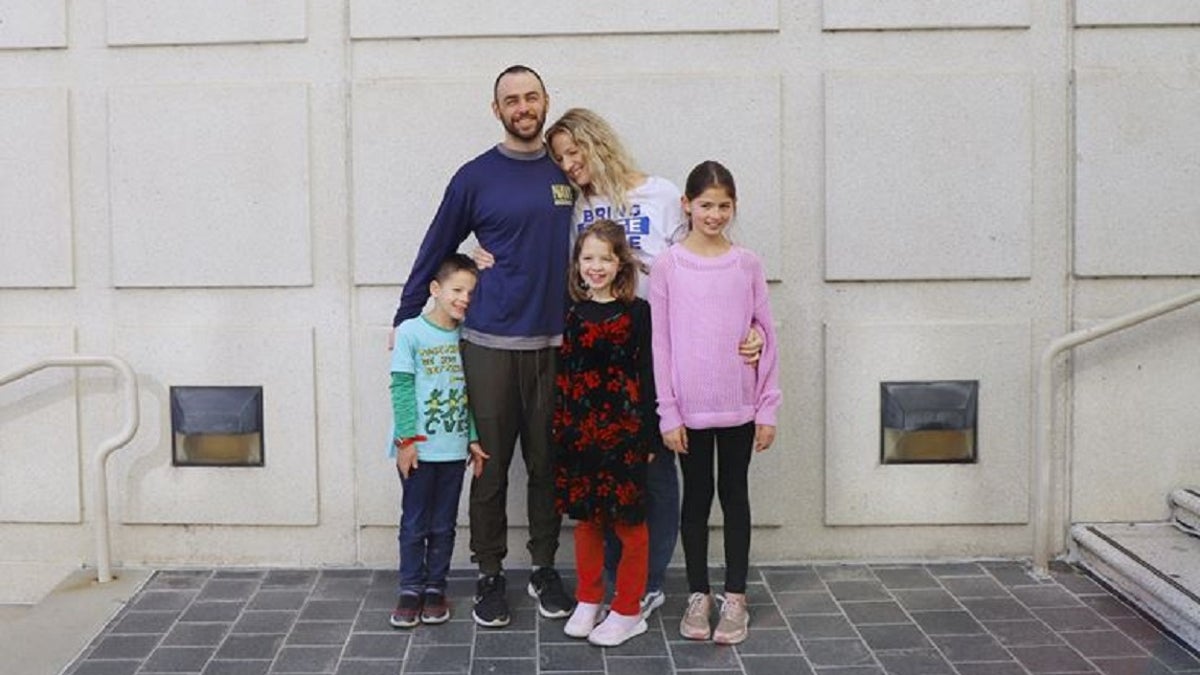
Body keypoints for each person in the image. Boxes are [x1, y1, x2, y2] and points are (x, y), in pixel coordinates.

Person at [473, 107, 763, 619]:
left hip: (658, 347)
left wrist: (753, 329)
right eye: (559, 157)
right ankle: (613, 586)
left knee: (655, 469)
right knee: (605, 474)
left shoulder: (661, 194)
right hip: (599, 355)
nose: (568, 163)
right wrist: (485, 257)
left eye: (573, 151)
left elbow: (705, 265)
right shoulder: (574, 208)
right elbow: (551, 263)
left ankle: (649, 583)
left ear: (596, 142)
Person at [391, 65, 576, 628]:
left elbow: (613, 232)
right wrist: (406, 317)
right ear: (497, 110)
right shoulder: (474, 177)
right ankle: (490, 574)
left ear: (546, 102)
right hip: (489, 344)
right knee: (490, 469)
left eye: (532, 97)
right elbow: (438, 247)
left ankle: (544, 566)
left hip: (555, 344)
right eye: (511, 100)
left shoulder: (568, 168)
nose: (523, 107)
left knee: (547, 468)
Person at [649, 160, 781, 645]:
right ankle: (698, 593)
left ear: (734, 207)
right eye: (705, 204)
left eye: (724, 205)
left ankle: (736, 597)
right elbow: (661, 344)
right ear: (686, 205)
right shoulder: (669, 265)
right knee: (696, 499)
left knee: (735, 496)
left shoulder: (746, 263)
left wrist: (767, 408)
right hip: (691, 411)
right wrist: (669, 412)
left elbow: (765, 332)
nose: (715, 214)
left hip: (740, 407)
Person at [555, 220, 658, 647]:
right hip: (578, 432)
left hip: (624, 430)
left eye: (605, 258)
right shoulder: (569, 310)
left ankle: (629, 608)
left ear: (621, 264)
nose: (596, 266)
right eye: (588, 258)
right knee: (587, 522)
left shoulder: (637, 312)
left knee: (629, 523)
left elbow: (648, 372)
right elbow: (562, 374)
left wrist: (650, 432)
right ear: (578, 264)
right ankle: (589, 598)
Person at [388, 254, 490, 628]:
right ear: (436, 289)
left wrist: (474, 438)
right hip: (418, 448)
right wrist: (406, 441)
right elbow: (400, 387)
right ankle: (411, 587)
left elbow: (473, 394)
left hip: (453, 448)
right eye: (457, 290)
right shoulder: (411, 332)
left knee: (444, 524)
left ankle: (435, 587)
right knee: (415, 521)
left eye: (471, 292)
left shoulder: (468, 337)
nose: (464, 298)